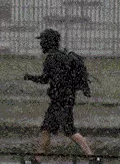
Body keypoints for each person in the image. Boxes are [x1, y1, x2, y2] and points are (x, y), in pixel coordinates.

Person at [23, 28, 95, 163]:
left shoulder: (51, 59)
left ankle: (93, 159)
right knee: (46, 129)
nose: (40, 45)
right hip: (63, 100)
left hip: (60, 102)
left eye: (42, 41)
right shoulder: (62, 56)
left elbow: (45, 79)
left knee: (70, 131)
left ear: (47, 42)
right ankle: (36, 160)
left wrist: (29, 77)